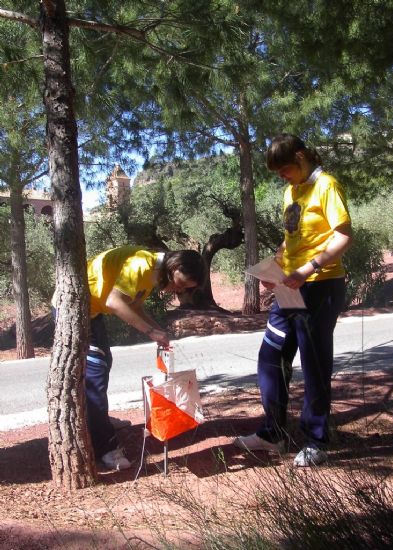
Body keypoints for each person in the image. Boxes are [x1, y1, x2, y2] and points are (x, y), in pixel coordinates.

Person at [234, 133, 352, 466]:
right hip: (290, 286)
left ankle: (316, 440)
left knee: (315, 365)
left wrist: (308, 268)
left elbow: (344, 235)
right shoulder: (291, 191)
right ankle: (273, 434)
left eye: (284, 169)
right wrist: (276, 267)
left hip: (320, 285)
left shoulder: (327, 186)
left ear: (301, 157)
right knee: (271, 355)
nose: (281, 177)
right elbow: (292, 239)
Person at [53, 246, 206, 470]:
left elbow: (134, 306)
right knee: (95, 375)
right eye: (179, 284)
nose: (176, 290)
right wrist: (150, 332)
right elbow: (114, 302)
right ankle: (105, 446)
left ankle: (98, 420)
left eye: (182, 289)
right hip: (72, 309)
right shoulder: (141, 265)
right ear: (174, 267)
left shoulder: (153, 271)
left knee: (104, 365)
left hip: (90, 312)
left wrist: (157, 331)